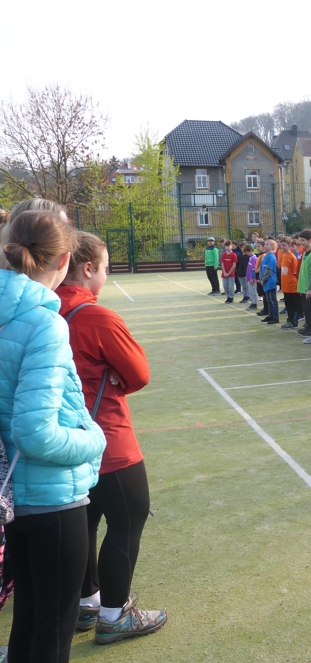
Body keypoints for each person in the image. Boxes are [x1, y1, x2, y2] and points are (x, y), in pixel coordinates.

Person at [0, 210, 106, 662]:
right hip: (50, 500)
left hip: (13, 500)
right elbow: (35, 432)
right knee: (53, 632)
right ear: (64, 260)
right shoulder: (44, 323)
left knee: (27, 621)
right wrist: (94, 439)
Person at [56, 232, 167, 643]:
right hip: (106, 436)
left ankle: (87, 602)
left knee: (85, 519)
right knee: (128, 519)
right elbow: (138, 373)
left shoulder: (41, 309)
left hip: (62, 439)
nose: (107, 274)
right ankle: (114, 613)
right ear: (87, 269)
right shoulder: (97, 317)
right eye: (106, 267)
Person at [278, 238, 301, 330]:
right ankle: (289, 320)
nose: (282, 247)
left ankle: (294, 322)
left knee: (294, 306)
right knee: (288, 305)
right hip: (286, 286)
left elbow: (296, 273)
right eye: (281, 245)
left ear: (289, 245)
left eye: (284, 245)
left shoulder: (292, 257)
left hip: (292, 287)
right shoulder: (284, 255)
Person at [259, 238, 279, 324]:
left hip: (270, 281)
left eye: (267, 245)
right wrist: (261, 279)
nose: (265, 246)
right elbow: (261, 269)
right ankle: (270, 315)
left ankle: (275, 317)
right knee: (268, 300)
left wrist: (263, 279)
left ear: (272, 247)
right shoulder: (264, 257)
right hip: (265, 281)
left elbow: (269, 270)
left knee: (273, 300)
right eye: (265, 244)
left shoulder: (271, 257)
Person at [243, 244, 258, 309]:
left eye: (247, 252)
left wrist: (252, 278)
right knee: (251, 291)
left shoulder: (254, 258)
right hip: (249, 278)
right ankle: (252, 302)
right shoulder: (250, 258)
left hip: (252, 279)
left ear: (251, 250)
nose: (247, 254)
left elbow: (254, 269)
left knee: (253, 291)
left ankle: (254, 303)